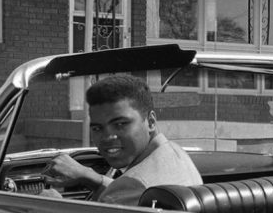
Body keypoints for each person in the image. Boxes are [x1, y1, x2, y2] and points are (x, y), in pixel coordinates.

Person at [42, 73, 201, 205]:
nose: (107, 137)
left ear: (151, 122)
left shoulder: (133, 186)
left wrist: (54, 206)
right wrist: (92, 177)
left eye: (120, 124)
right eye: (98, 128)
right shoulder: (176, 153)